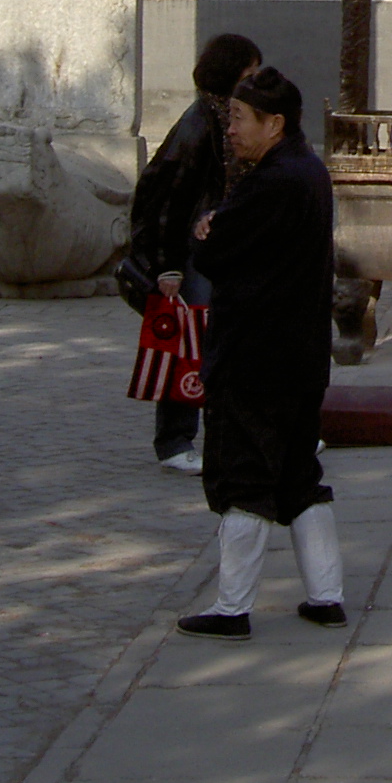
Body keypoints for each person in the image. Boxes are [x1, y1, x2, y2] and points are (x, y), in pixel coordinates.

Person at [176, 68, 345, 641]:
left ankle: (232, 607)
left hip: (256, 355)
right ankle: (326, 597)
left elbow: (219, 253)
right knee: (298, 474)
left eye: (241, 119)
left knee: (244, 475)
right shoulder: (310, 172)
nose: (231, 129)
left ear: (275, 123)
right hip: (301, 355)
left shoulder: (272, 181)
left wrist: (207, 234)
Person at [123, 33, 262, 473]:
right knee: (189, 343)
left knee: (231, 342)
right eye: (249, 75)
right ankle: (175, 440)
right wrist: (166, 266)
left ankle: (249, 433)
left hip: (221, 248)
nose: (254, 83)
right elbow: (166, 197)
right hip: (190, 254)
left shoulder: (228, 119)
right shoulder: (200, 124)